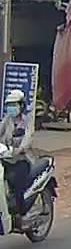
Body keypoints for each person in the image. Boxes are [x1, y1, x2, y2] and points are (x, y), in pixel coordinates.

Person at [0, 89, 36, 235]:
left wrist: (20, 149)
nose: (11, 108)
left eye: (14, 105)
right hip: (5, 158)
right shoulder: (7, 119)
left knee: (16, 183)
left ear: (21, 105)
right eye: (9, 105)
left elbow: (28, 138)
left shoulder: (27, 121)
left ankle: (23, 215)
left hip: (22, 160)